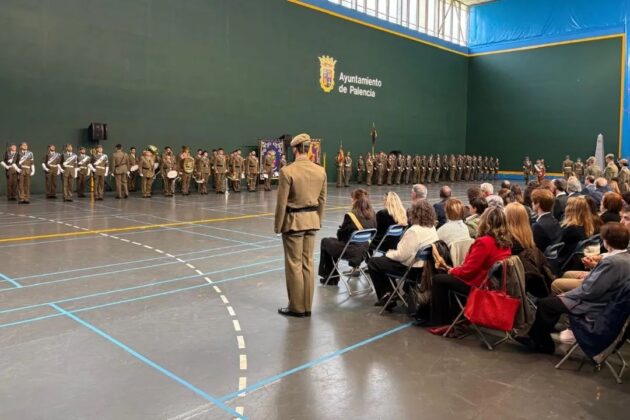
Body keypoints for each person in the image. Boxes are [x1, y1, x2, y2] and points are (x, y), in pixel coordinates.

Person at [520, 223, 630, 354]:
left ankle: (541, 342)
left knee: (546, 304)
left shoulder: (612, 262)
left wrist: (567, 295)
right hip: (604, 300)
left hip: (593, 303)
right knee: (550, 302)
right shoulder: (625, 257)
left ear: (607, 241)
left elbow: (590, 291)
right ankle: (536, 336)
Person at [425, 207, 512, 326]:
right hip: (492, 282)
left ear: (485, 222)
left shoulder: (484, 242)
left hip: (478, 284)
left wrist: (452, 270)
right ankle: (457, 313)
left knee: (438, 279)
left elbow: (468, 271)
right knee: (445, 276)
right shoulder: (505, 242)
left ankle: (441, 321)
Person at [274, 133, 327, 318]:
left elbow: (282, 203)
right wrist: (316, 219)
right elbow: (322, 200)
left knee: (294, 265)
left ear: (295, 149)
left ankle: (297, 308)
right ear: (309, 149)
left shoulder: (288, 171)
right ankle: (307, 306)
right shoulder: (320, 170)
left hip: (294, 223)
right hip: (312, 221)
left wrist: (278, 226)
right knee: (308, 264)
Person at [368, 200, 439, 309]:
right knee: (383, 262)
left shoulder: (414, 231)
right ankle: (391, 293)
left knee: (374, 262)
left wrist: (389, 253)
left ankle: (387, 295)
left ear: (414, 214)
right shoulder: (432, 227)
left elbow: (401, 255)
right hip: (426, 268)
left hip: (411, 270)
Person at [318, 188, 377, 286]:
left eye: (352, 198)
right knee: (331, 242)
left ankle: (332, 278)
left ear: (355, 200)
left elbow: (341, 237)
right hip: (365, 250)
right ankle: (335, 276)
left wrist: (341, 229)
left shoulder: (351, 215)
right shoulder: (373, 214)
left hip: (352, 251)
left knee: (326, 242)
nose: (351, 200)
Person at [556, 196, 596, 271]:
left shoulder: (569, 230)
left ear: (569, 209)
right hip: (574, 264)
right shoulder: (585, 227)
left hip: (565, 265)